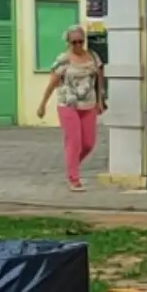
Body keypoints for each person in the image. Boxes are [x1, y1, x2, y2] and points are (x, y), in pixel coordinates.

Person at [36, 24, 105, 192]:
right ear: (68, 43)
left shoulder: (93, 57)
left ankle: (72, 166)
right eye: (74, 42)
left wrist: (101, 100)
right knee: (74, 142)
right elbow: (52, 83)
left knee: (88, 143)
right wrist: (42, 104)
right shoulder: (63, 60)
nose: (78, 45)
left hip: (89, 104)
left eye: (81, 41)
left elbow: (99, 80)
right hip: (68, 104)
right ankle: (73, 179)